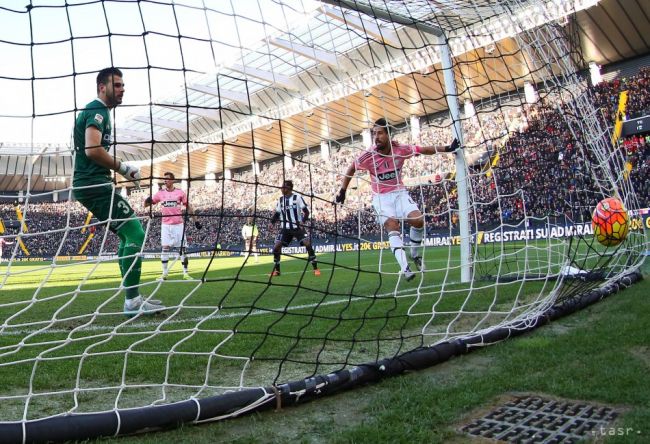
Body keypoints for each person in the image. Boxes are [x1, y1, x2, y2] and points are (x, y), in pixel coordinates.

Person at [73, 67, 164, 316]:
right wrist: (124, 168)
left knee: (126, 236)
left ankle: (133, 298)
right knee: (135, 232)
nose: (122, 89)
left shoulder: (100, 111)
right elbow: (92, 149)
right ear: (102, 87)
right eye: (117, 84)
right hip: (93, 184)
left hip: (92, 184)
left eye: (123, 85)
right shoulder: (97, 109)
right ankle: (132, 301)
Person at [335, 117, 458, 281]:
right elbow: (351, 168)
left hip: (399, 193)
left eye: (379, 133)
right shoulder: (369, 156)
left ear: (388, 134)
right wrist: (343, 191)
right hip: (381, 198)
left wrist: (447, 148)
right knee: (392, 225)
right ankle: (405, 268)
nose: (376, 137)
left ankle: (415, 254)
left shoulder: (400, 150)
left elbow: (422, 149)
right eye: (374, 134)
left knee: (418, 220)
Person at [144, 172, 202, 280]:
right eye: (164, 179)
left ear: (173, 180)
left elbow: (189, 206)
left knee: (182, 249)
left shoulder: (180, 192)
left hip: (178, 225)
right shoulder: (160, 193)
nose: (165, 181)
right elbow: (147, 204)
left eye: (167, 179)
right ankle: (164, 273)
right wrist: (147, 202)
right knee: (164, 249)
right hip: (165, 225)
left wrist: (196, 221)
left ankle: (185, 273)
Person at [269, 180, 320, 277]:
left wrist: (303, 221)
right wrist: (272, 223)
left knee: (308, 244)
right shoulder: (280, 200)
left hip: (297, 227)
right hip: (285, 228)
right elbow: (277, 213)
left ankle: (316, 268)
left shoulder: (297, 198)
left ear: (289, 188)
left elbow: (306, 212)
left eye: (283, 187)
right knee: (276, 247)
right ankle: (277, 271)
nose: (281, 189)